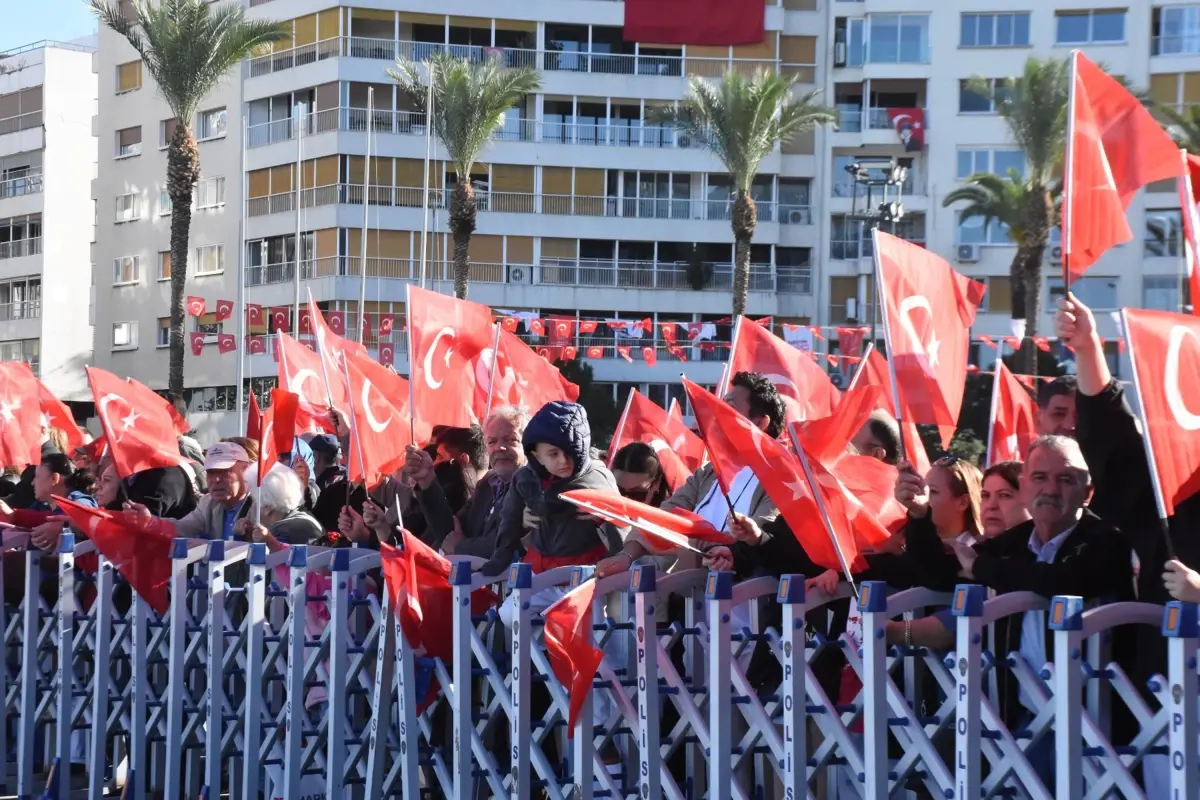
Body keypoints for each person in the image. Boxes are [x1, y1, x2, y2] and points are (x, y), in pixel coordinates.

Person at [595, 372, 784, 577]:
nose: (716, 414)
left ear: (758, 423)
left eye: (729, 408)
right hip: (687, 593)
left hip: (737, 599)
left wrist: (693, 542)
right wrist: (626, 556)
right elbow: (664, 517)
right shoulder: (708, 472)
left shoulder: (781, 478)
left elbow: (757, 540)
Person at [480, 401, 624, 577]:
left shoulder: (597, 476)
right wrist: (501, 555)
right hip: (536, 570)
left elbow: (621, 523)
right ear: (536, 455)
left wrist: (603, 519)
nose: (563, 461)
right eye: (553, 454)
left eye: (570, 451)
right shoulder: (524, 478)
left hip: (585, 571)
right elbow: (509, 519)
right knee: (513, 606)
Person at [402, 407, 528, 557]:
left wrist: (461, 547)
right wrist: (426, 479)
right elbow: (449, 533)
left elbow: (507, 544)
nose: (499, 448)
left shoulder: (534, 487)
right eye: (492, 441)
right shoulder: (487, 483)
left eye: (511, 440)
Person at [126, 441, 253, 540]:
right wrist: (148, 521)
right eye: (210, 473)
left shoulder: (260, 504)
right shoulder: (207, 503)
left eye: (225, 472)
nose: (216, 479)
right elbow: (182, 528)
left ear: (245, 470)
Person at [235, 463, 324, 549]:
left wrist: (246, 540)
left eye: (254, 501)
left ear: (267, 507)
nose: (252, 508)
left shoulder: (282, 531)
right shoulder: (305, 518)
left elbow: (265, 562)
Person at [610, 441, 671, 508]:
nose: (624, 501)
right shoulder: (601, 491)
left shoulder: (671, 510)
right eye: (618, 490)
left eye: (636, 494)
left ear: (656, 484)